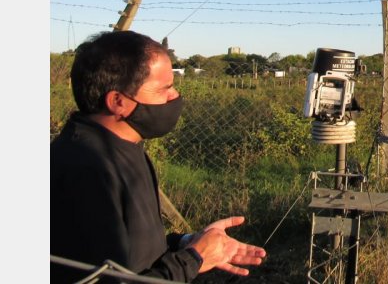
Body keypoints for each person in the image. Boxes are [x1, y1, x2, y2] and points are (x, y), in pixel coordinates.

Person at [51, 30, 267, 283]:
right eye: (165, 88)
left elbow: (134, 254)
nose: (175, 96)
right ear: (118, 101)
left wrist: (188, 243)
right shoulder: (85, 171)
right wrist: (194, 259)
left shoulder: (121, 146)